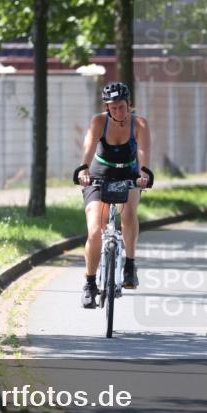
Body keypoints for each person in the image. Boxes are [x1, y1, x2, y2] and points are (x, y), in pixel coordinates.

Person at [73, 82, 153, 309]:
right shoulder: (99, 121)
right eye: (113, 107)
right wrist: (83, 169)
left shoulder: (140, 123)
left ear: (129, 104)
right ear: (106, 107)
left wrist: (144, 173)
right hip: (99, 175)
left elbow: (143, 152)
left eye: (121, 106)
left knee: (128, 213)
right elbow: (89, 146)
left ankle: (130, 264)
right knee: (94, 230)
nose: (117, 111)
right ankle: (90, 284)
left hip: (129, 175)